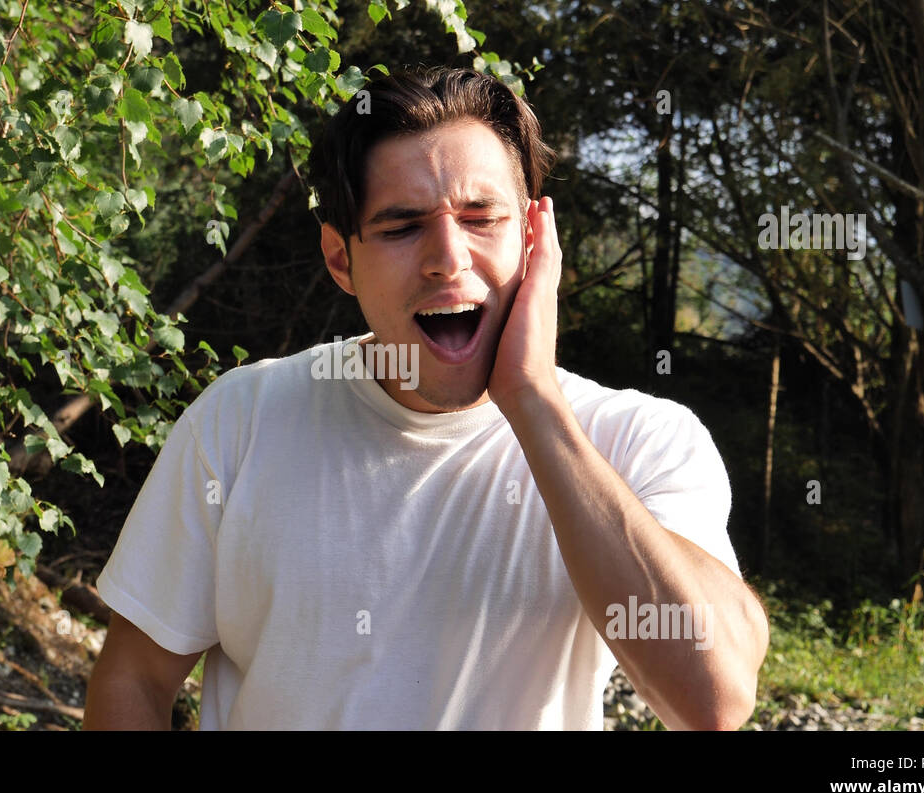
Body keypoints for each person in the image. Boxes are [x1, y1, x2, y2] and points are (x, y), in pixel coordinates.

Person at [83, 66, 769, 730]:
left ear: (535, 237)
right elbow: (135, 679)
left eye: (481, 216)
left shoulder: (639, 439)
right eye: (402, 226)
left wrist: (532, 400)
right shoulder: (240, 419)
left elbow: (713, 697)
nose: (448, 256)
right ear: (339, 258)